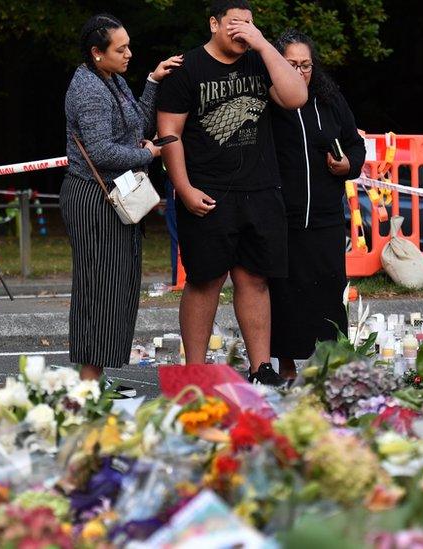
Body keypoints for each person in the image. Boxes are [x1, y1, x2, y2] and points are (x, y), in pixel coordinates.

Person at [156, 0, 307, 385]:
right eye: (235, 23)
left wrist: (264, 45)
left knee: (255, 279)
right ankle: (194, 372)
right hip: (207, 191)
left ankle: (260, 367)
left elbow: (296, 97)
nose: (243, 30)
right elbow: (169, 133)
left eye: (250, 24)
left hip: (260, 190)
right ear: (213, 24)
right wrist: (184, 188)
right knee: (205, 280)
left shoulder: (261, 60)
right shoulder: (186, 68)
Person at [61, 13, 183, 381]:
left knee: (118, 286)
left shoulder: (112, 80)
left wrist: (151, 81)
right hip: (93, 199)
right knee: (99, 288)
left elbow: (136, 123)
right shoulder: (88, 89)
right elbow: (101, 152)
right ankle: (88, 381)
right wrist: (151, 154)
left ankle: (96, 375)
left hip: (114, 196)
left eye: (128, 45)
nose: (129, 53)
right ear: (97, 53)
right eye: (121, 48)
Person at [269, 30, 365, 382]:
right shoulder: (269, 100)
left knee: (328, 290)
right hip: (283, 216)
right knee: (284, 292)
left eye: (305, 65)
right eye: (291, 64)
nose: (299, 71)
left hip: (325, 217)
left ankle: (331, 364)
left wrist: (348, 166)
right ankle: (286, 366)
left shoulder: (329, 98)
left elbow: (356, 145)